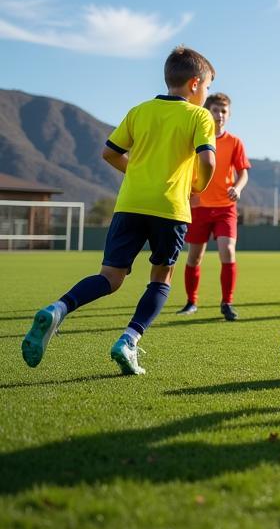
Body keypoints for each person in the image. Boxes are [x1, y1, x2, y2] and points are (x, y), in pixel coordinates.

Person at [22, 46, 217, 376]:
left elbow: (109, 153)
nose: (207, 93)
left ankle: (59, 308)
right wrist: (197, 185)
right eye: (209, 86)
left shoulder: (139, 111)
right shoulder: (199, 116)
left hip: (129, 204)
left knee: (109, 278)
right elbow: (208, 160)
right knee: (161, 279)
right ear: (195, 83)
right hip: (170, 208)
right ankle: (129, 340)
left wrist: (139, 173)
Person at [177, 92, 251, 319]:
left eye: (224, 111)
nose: (219, 115)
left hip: (225, 208)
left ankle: (227, 303)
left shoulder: (235, 142)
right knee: (194, 257)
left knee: (227, 251)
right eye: (215, 110)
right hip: (198, 207)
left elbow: (243, 173)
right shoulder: (196, 139)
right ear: (207, 112)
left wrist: (237, 188)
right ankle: (191, 302)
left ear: (229, 115)